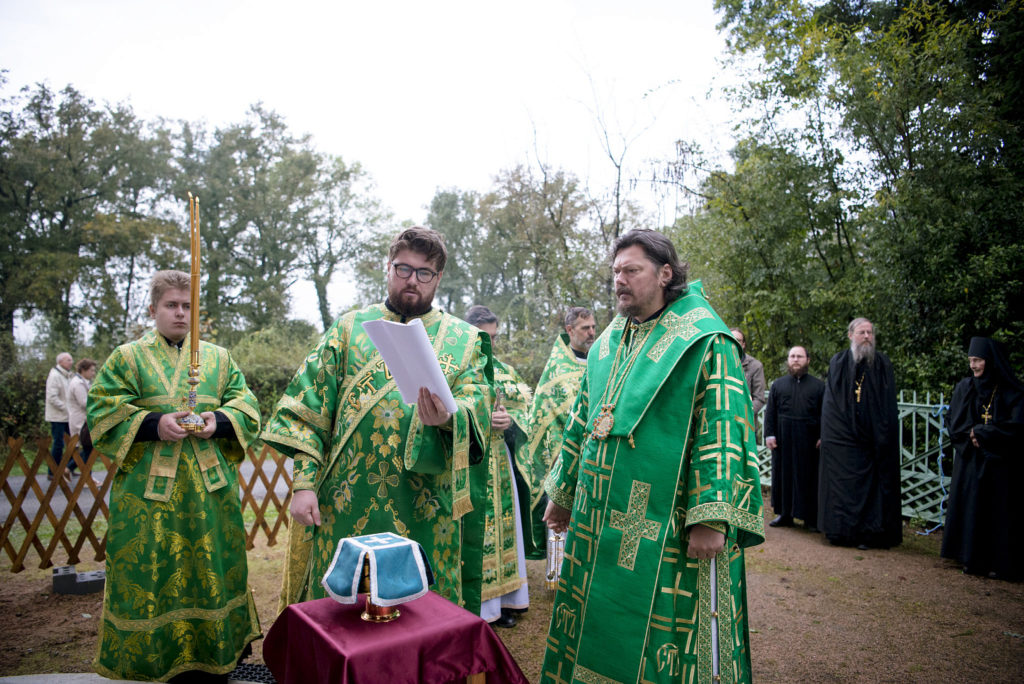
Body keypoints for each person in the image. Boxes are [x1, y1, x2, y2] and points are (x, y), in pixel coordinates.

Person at [541, 229, 765, 683]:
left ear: (665, 274)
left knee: (662, 631)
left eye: (632, 270)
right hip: (596, 515)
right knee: (593, 616)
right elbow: (582, 420)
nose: (620, 280)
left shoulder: (705, 339)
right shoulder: (608, 342)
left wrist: (711, 517)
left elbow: (723, 428)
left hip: (667, 521)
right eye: (616, 271)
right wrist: (562, 492)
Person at [261, 226, 495, 615]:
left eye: (424, 273)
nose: (412, 280)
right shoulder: (349, 329)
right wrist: (303, 483)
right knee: (342, 610)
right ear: (388, 268)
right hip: (344, 502)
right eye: (403, 268)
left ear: (437, 278)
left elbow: (479, 407)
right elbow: (308, 410)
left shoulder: (465, 340)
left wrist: (449, 418)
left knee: (421, 613)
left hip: (424, 504)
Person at [87, 270, 262, 682]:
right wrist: (152, 423)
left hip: (210, 494)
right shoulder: (127, 357)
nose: (181, 313)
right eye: (172, 305)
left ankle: (215, 659)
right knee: (153, 574)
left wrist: (216, 421)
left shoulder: (218, 358)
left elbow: (248, 405)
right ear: (153, 310)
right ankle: (154, 660)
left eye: (188, 306)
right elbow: (100, 411)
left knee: (211, 572)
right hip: (149, 499)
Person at [465, 304, 530, 628]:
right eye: (484, 337)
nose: (491, 344)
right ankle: (481, 608)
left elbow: (527, 406)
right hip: (469, 462)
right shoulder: (459, 368)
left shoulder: (502, 369)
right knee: (481, 534)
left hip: (500, 462)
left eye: (494, 337)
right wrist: (480, 418)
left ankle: (506, 602)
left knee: (506, 529)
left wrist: (509, 419)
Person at [941, 337, 1024, 580]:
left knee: (997, 512)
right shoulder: (965, 387)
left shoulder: (1012, 391)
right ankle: (971, 558)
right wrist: (971, 435)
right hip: (970, 461)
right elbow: (953, 420)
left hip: (999, 463)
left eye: (977, 360)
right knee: (972, 509)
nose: (973, 366)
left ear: (991, 361)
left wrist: (985, 434)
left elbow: (1016, 426)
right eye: (970, 361)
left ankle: (998, 562)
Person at [818, 317, 902, 549]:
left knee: (872, 489)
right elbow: (831, 404)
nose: (867, 336)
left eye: (870, 333)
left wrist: (873, 432)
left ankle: (869, 533)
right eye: (862, 332)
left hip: (872, 440)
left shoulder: (882, 364)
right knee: (842, 487)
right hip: (843, 440)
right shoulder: (839, 362)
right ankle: (842, 532)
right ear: (850, 335)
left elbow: (886, 406)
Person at [521, 306, 595, 558]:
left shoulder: (599, 361)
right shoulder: (557, 370)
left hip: (594, 456)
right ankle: (556, 576)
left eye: (594, 327)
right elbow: (544, 416)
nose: (591, 333)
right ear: (569, 330)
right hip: (561, 456)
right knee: (560, 521)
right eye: (585, 328)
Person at [765, 346, 825, 530]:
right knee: (783, 476)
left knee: (808, 477)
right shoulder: (778, 385)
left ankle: (809, 518)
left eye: (800, 356)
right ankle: (784, 514)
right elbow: (771, 412)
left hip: (809, 439)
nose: (796, 359)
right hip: (783, 439)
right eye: (792, 356)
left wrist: (823, 435)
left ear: (808, 360)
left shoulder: (819, 386)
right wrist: (770, 434)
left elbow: (825, 413)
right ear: (788, 360)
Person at [67, 358, 98, 479]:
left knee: (88, 448)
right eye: (91, 370)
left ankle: (71, 469)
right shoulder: (78, 383)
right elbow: (84, 403)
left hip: (84, 419)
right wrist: (99, 400)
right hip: (80, 420)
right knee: (88, 447)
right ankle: (86, 477)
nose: (93, 373)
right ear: (83, 370)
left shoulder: (83, 382)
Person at [44, 352, 74, 479]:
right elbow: (52, 397)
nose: (71, 362)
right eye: (68, 360)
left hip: (67, 416)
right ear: (60, 361)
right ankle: (52, 471)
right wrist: (67, 409)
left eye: (71, 360)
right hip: (58, 416)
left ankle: (67, 468)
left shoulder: (66, 375)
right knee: (58, 444)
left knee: (72, 442)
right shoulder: (55, 375)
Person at [731, 328, 766, 418]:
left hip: (746, 424)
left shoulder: (755, 366)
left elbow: (759, 399)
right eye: (731, 339)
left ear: (743, 344)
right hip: (722, 424)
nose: (734, 343)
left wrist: (741, 413)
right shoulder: (718, 363)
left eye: (738, 340)